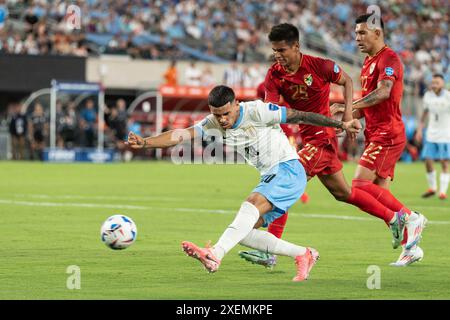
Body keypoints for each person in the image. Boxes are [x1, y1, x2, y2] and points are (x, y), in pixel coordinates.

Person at [126, 85, 362, 281]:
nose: (222, 120)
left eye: (226, 114)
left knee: (250, 204)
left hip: (288, 168)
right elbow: (180, 134)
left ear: (236, 104)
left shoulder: (257, 111)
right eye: (217, 115)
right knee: (244, 233)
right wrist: (145, 143)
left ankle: (215, 254)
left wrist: (341, 124)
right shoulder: (214, 122)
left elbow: (299, 115)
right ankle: (304, 254)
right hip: (271, 175)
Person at [240, 23, 423, 268]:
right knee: (343, 193)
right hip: (311, 140)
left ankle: (268, 247)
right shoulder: (274, 74)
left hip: (322, 139)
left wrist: (348, 115)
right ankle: (394, 219)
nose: (278, 55)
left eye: (282, 50)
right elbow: (270, 111)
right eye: (275, 50)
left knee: (286, 182)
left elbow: (347, 81)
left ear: (296, 46)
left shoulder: (319, 66)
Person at [332, 14, 427, 267]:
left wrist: (348, 106)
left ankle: (410, 218)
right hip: (375, 133)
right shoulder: (367, 63)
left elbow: (383, 93)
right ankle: (411, 248)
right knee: (379, 195)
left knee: (359, 186)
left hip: (388, 134)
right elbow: (367, 105)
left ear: (377, 33)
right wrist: (346, 117)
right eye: (355, 34)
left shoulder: (390, 58)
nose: (357, 38)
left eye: (362, 33)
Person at [415, 74, 450, 200]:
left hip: (446, 134)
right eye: (433, 82)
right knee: (428, 161)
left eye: (437, 82)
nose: (434, 84)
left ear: (443, 83)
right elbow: (424, 114)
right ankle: (433, 188)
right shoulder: (427, 96)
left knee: (444, 162)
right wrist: (419, 129)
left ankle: (442, 191)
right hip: (431, 133)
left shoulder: (448, 96)